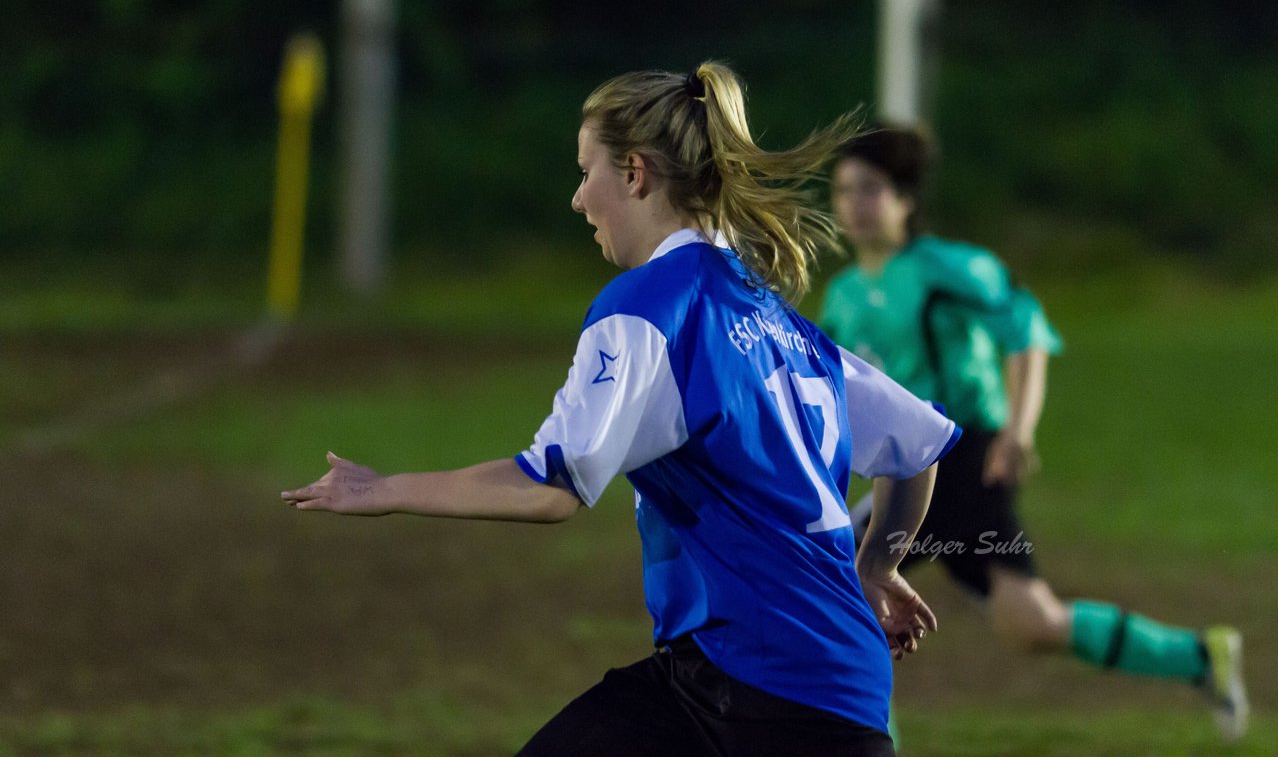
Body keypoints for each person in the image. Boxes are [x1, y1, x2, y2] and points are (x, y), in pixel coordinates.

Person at [281, 64, 962, 756]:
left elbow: (550, 489)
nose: (579, 199)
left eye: (586, 171)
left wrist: (380, 488)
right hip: (780, 683)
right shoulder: (774, 318)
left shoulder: (647, 307)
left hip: (771, 693)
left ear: (634, 173)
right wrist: (877, 565)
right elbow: (920, 446)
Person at [818, 123, 1249, 743]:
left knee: (845, 590)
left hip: (960, 460)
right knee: (1028, 622)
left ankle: (862, 743)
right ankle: (1201, 658)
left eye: (872, 189)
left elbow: (1026, 332)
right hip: (909, 470)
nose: (855, 204)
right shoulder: (843, 295)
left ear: (907, 200)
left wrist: (1018, 430)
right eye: (845, 190)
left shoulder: (946, 269)